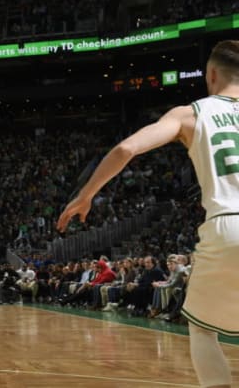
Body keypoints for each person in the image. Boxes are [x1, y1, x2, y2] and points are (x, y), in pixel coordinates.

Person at [57, 40, 239, 388]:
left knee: (202, 328)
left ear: (211, 74)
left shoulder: (190, 113)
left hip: (227, 222)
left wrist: (86, 195)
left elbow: (127, 148)